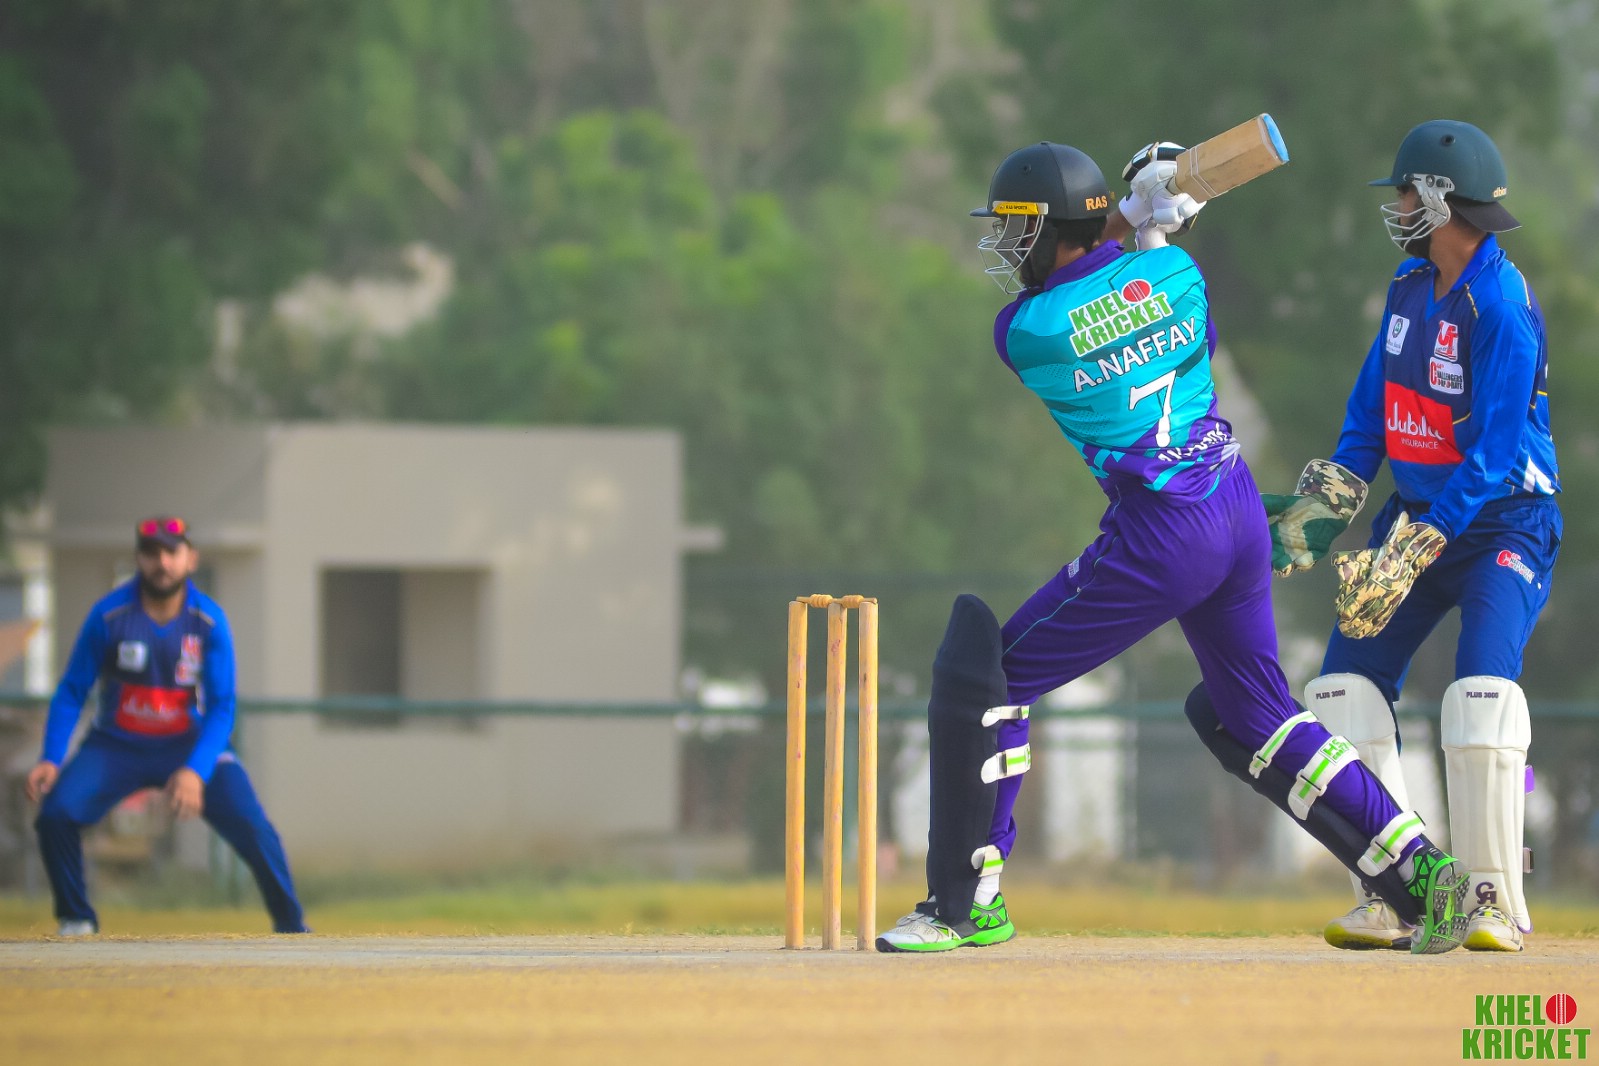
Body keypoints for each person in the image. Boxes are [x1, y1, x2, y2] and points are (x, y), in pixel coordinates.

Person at [876, 138, 1471, 955]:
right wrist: (1148, 226)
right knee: (1257, 714)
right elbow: (1148, 298)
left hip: (1160, 534)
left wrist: (1133, 214)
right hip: (1235, 508)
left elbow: (1083, 294)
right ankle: (1423, 873)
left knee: (992, 682)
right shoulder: (1179, 274)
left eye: (1016, 228)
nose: (1007, 246)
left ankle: (963, 904)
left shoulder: (1028, 331)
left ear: (1047, 231)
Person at [1264, 120, 1560, 953]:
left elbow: (1494, 452)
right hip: (1420, 519)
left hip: (1503, 521)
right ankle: (1396, 893)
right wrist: (1314, 523)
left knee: (1479, 697)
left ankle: (1492, 901)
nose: (1395, 208)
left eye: (1404, 193)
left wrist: (1423, 538)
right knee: (1339, 694)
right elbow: (1369, 422)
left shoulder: (1500, 307)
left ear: (1438, 199)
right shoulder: (1405, 290)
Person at [25, 516, 307, 936]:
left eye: (172, 552)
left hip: (188, 745)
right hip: (117, 746)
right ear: (138, 558)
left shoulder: (208, 621)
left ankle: (292, 927)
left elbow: (222, 707)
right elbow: (71, 691)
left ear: (190, 559)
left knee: (253, 825)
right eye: (151, 553)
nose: (162, 563)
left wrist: (196, 770)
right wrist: (51, 757)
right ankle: (76, 920)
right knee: (56, 815)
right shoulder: (109, 616)